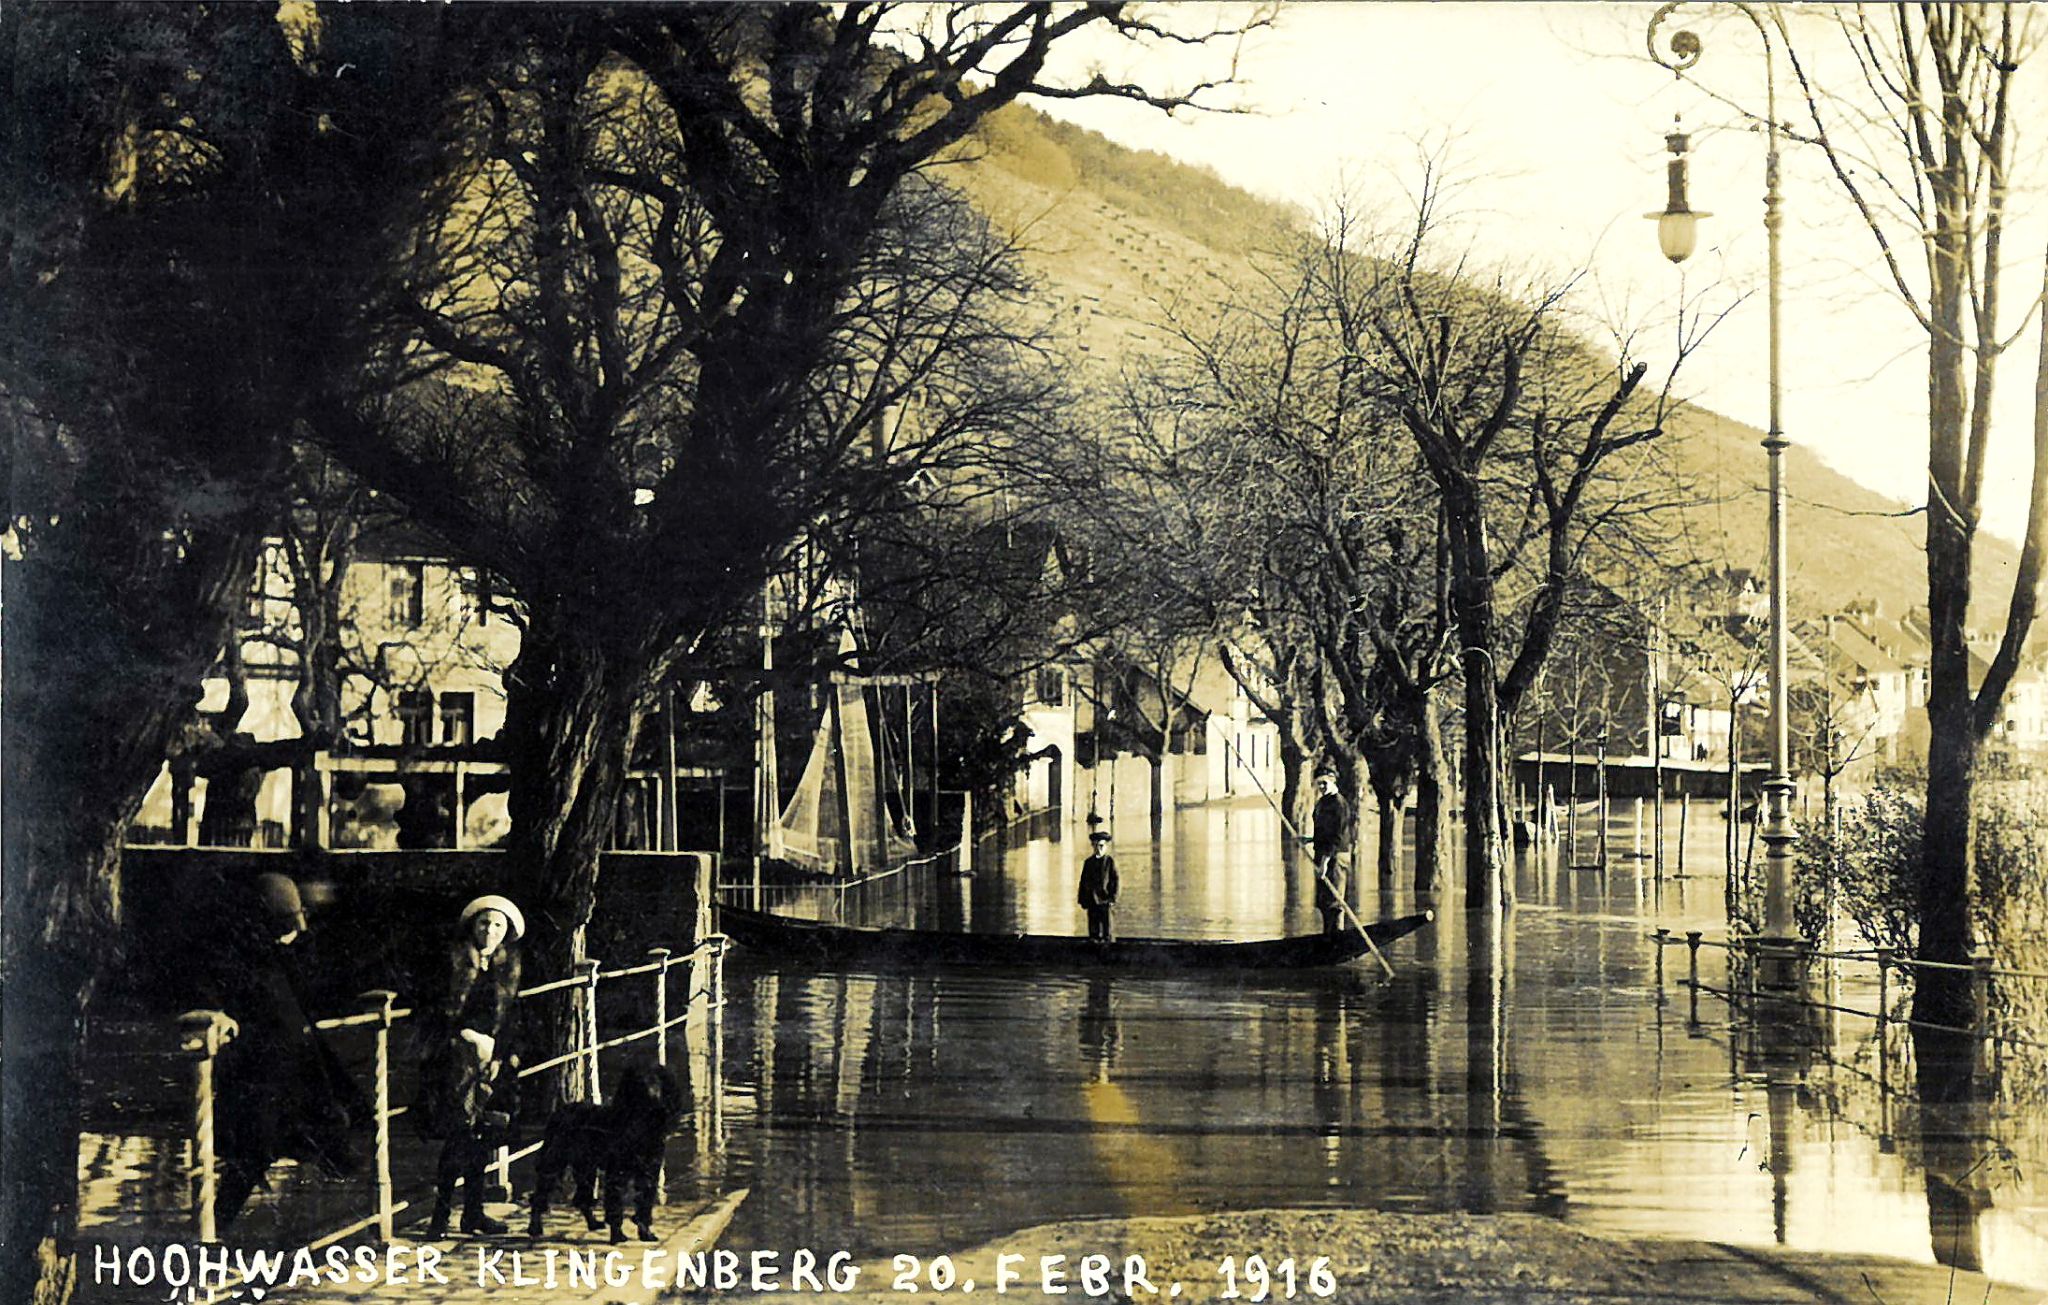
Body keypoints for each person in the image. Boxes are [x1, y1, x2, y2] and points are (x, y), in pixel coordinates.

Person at [201, 872, 367, 1228]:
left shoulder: (282, 952)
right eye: (285, 923)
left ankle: (223, 1227)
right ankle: (212, 1230)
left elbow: (313, 995)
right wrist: (218, 1014)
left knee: (324, 1124)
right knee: (255, 1150)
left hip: (294, 1064)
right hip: (257, 1069)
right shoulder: (236, 953)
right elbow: (217, 990)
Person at [418, 894, 524, 1237]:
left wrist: (501, 1055)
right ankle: (441, 1216)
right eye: (484, 923)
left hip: (490, 1063)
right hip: (456, 1059)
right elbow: (437, 1008)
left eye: (497, 925)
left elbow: (511, 1017)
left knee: (482, 1137)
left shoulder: (509, 964)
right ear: (472, 926)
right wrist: (465, 1035)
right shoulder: (454, 959)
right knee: (458, 1137)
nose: (490, 931)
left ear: (505, 931)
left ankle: (473, 1213)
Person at [1310, 770, 1351, 937]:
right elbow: (1322, 831)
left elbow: (1336, 836)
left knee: (1334, 901)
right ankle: (1327, 935)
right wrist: (1309, 840)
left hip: (1335, 856)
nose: (1321, 787)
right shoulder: (1322, 803)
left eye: (1325, 783)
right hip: (1322, 855)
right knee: (1323, 900)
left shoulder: (1339, 805)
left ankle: (1336, 936)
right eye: (1319, 783)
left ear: (1333, 782)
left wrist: (1325, 862)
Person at [1077, 829, 1119, 942]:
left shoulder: (1109, 862)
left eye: (1101, 846)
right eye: (1095, 846)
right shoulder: (1088, 862)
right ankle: (1093, 947)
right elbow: (1083, 882)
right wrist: (1082, 900)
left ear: (1106, 847)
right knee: (1093, 930)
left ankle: (1108, 946)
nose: (1098, 849)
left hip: (1105, 901)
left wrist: (1113, 898)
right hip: (1092, 900)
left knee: (1107, 930)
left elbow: (1115, 881)